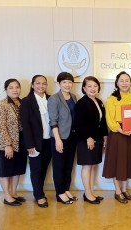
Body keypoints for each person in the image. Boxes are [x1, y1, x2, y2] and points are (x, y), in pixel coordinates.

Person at [102, 71, 131, 204]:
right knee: (116, 163)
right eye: (122, 80)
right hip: (117, 134)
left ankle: (124, 189)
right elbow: (110, 120)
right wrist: (121, 130)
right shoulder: (111, 99)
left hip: (130, 134)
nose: (124, 83)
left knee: (127, 162)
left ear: (130, 82)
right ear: (117, 83)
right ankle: (117, 191)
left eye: (127, 80)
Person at [0, 78, 27, 206]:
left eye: (17, 87)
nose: (15, 90)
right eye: (11, 87)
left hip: (22, 141)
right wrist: (8, 145)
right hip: (7, 143)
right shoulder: (1, 104)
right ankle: (7, 196)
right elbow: (0, 126)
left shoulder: (23, 103)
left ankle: (14, 193)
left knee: (17, 169)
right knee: (6, 169)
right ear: (6, 89)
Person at [75, 76, 108, 205]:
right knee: (87, 166)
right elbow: (79, 124)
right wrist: (88, 137)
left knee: (93, 165)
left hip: (97, 139)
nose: (93, 88)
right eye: (89, 86)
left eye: (95, 86)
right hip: (86, 140)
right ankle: (87, 194)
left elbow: (103, 121)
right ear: (84, 88)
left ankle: (90, 192)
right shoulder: (82, 103)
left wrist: (105, 135)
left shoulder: (99, 101)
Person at [20, 75, 51, 208]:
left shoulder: (51, 99)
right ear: (32, 85)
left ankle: (40, 191)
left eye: (44, 83)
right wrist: (29, 144)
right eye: (38, 83)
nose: (41, 86)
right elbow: (25, 125)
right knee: (36, 169)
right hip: (35, 142)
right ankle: (39, 195)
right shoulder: (26, 101)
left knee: (44, 169)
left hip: (50, 140)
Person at [47, 72, 78, 204]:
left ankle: (66, 189)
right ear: (59, 83)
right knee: (59, 166)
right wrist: (58, 140)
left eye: (70, 82)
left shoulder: (74, 97)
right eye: (64, 82)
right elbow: (53, 121)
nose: (67, 84)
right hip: (60, 138)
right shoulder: (54, 99)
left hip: (72, 137)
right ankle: (60, 193)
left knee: (68, 165)